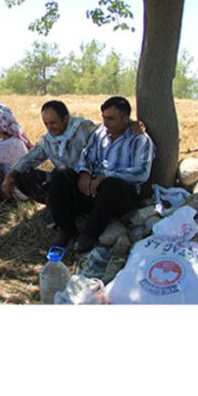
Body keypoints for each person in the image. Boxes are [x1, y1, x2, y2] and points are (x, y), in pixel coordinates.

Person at [74, 96, 155, 273]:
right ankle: (64, 227)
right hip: (94, 188)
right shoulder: (100, 133)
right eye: (104, 117)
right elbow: (86, 156)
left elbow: (141, 173)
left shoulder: (139, 140)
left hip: (121, 194)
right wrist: (84, 173)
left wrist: (105, 177)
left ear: (126, 119)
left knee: (110, 185)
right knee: (62, 174)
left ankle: (89, 234)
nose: (105, 122)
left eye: (111, 118)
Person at [1, 100, 98, 237]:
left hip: (87, 186)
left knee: (60, 172)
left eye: (53, 122)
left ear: (66, 119)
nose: (49, 127)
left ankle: (66, 227)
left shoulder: (84, 128)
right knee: (22, 176)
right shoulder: (47, 140)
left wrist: (85, 172)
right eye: (46, 124)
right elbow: (30, 158)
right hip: (62, 183)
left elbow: (106, 138)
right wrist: (11, 175)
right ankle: (57, 204)